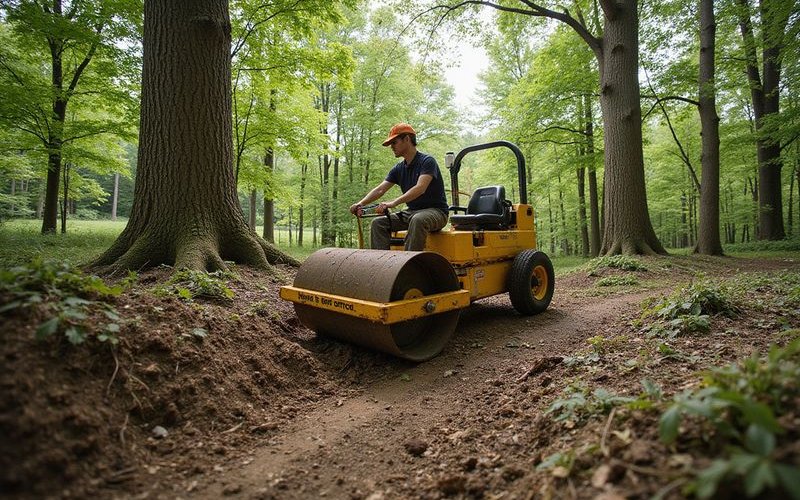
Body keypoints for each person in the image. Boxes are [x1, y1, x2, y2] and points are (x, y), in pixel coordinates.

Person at [349, 123, 449, 251]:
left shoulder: (427, 161)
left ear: (407, 139)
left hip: (437, 212)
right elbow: (380, 190)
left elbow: (420, 188)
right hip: (411, 213)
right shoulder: (398, 169)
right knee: (378, 223)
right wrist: (360, 203)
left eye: (394, 142)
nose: (391, 147)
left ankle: (409, 261)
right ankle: (382, 261)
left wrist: (394, 202)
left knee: (418, 220)